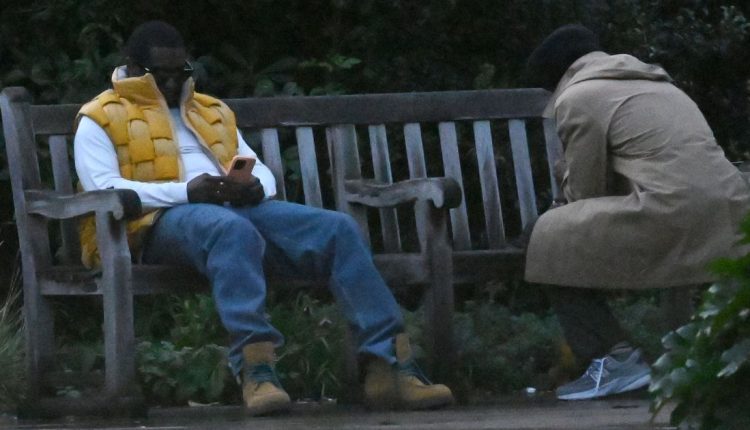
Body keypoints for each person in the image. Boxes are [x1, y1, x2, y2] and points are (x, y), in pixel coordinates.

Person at [73, 20, 453, 415]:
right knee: (229, 229)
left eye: (180, 72)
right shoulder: (99, 117)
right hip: (154, 224)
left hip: (233, 212)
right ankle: (257, 371)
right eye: (160, 75)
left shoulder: (210, 110)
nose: (172, 83)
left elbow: (256, 166)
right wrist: (187, 192)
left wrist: (256, 187)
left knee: (336, 228)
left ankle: (389, 368)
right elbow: (105, 187)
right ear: (134, 68)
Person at [523, 24, 750, 400]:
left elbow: (584, 194)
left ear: (556, 79)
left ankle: (614, 359)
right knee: (556, 234)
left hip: (670, 214)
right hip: (731, 212)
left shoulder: (579, 96)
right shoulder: (660, 85)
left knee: (544, 237)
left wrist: (562, 178)